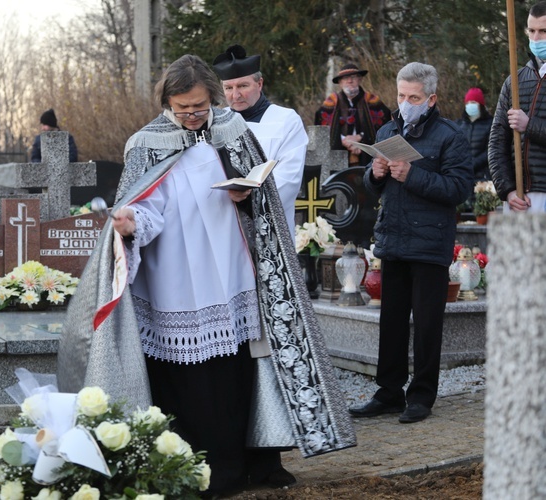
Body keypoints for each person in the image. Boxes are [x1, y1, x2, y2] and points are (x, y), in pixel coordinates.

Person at [57, 55, 355, 496]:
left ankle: (237, 468)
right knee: (185, 384)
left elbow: (265, 197)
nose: (192, 116)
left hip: (230, 271)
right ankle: (187, 468)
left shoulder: (233, 130)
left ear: (212, 98)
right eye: (183, 109)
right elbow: (147, 206)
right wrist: (130, 223)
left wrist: (246, 194)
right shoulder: (146, 143)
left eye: (199, 107)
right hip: (173, 278)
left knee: (233, 376)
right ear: (167, 105)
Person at [352, 63, 473, 424]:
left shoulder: (451, 136)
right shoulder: (389, 130)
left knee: (426, 324)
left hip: (430, 244)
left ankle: (420, 396)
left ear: (431, 98)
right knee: (390, 321)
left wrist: (413, 175)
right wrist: (373, 174)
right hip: (394, 239)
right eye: (402, 96)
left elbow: (459, 190)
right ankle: (388, 392)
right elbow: (375, 186)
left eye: (414, 97)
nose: (406, 103)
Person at [211, 44, 308, 238]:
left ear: (260, 84)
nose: (235, 95)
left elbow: (288, 178)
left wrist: (248, 198)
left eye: (243, 86)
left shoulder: (286, 120)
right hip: (225, 226)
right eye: (228, 88)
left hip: (270, 229)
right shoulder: (216, 122)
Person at [489, 1, 546, 212]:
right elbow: (496, 142)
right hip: (518, 199)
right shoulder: (515, 81)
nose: (536, 38)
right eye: (531, 30)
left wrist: (529, 125)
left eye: (543, 31)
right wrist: (507, 189)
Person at [315, 63, 392, 166]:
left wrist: (360, 137)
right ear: (340, 82)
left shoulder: (372, 101)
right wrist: (343, 140)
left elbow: (385, 126)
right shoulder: (331, 102)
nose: (349, 81)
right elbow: (321, 129)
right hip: (338, 155)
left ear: (360, 79)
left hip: (368, 157)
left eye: (353, 77)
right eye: (345, 78)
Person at [456, 87, 493, 181]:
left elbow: (490, 150)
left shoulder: (491, 124)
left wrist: (472, 164)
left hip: (483, 177)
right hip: (462, 177)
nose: (469, 105)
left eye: (473, 103)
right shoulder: (459, 125)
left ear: (480, 105)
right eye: (467, 103)